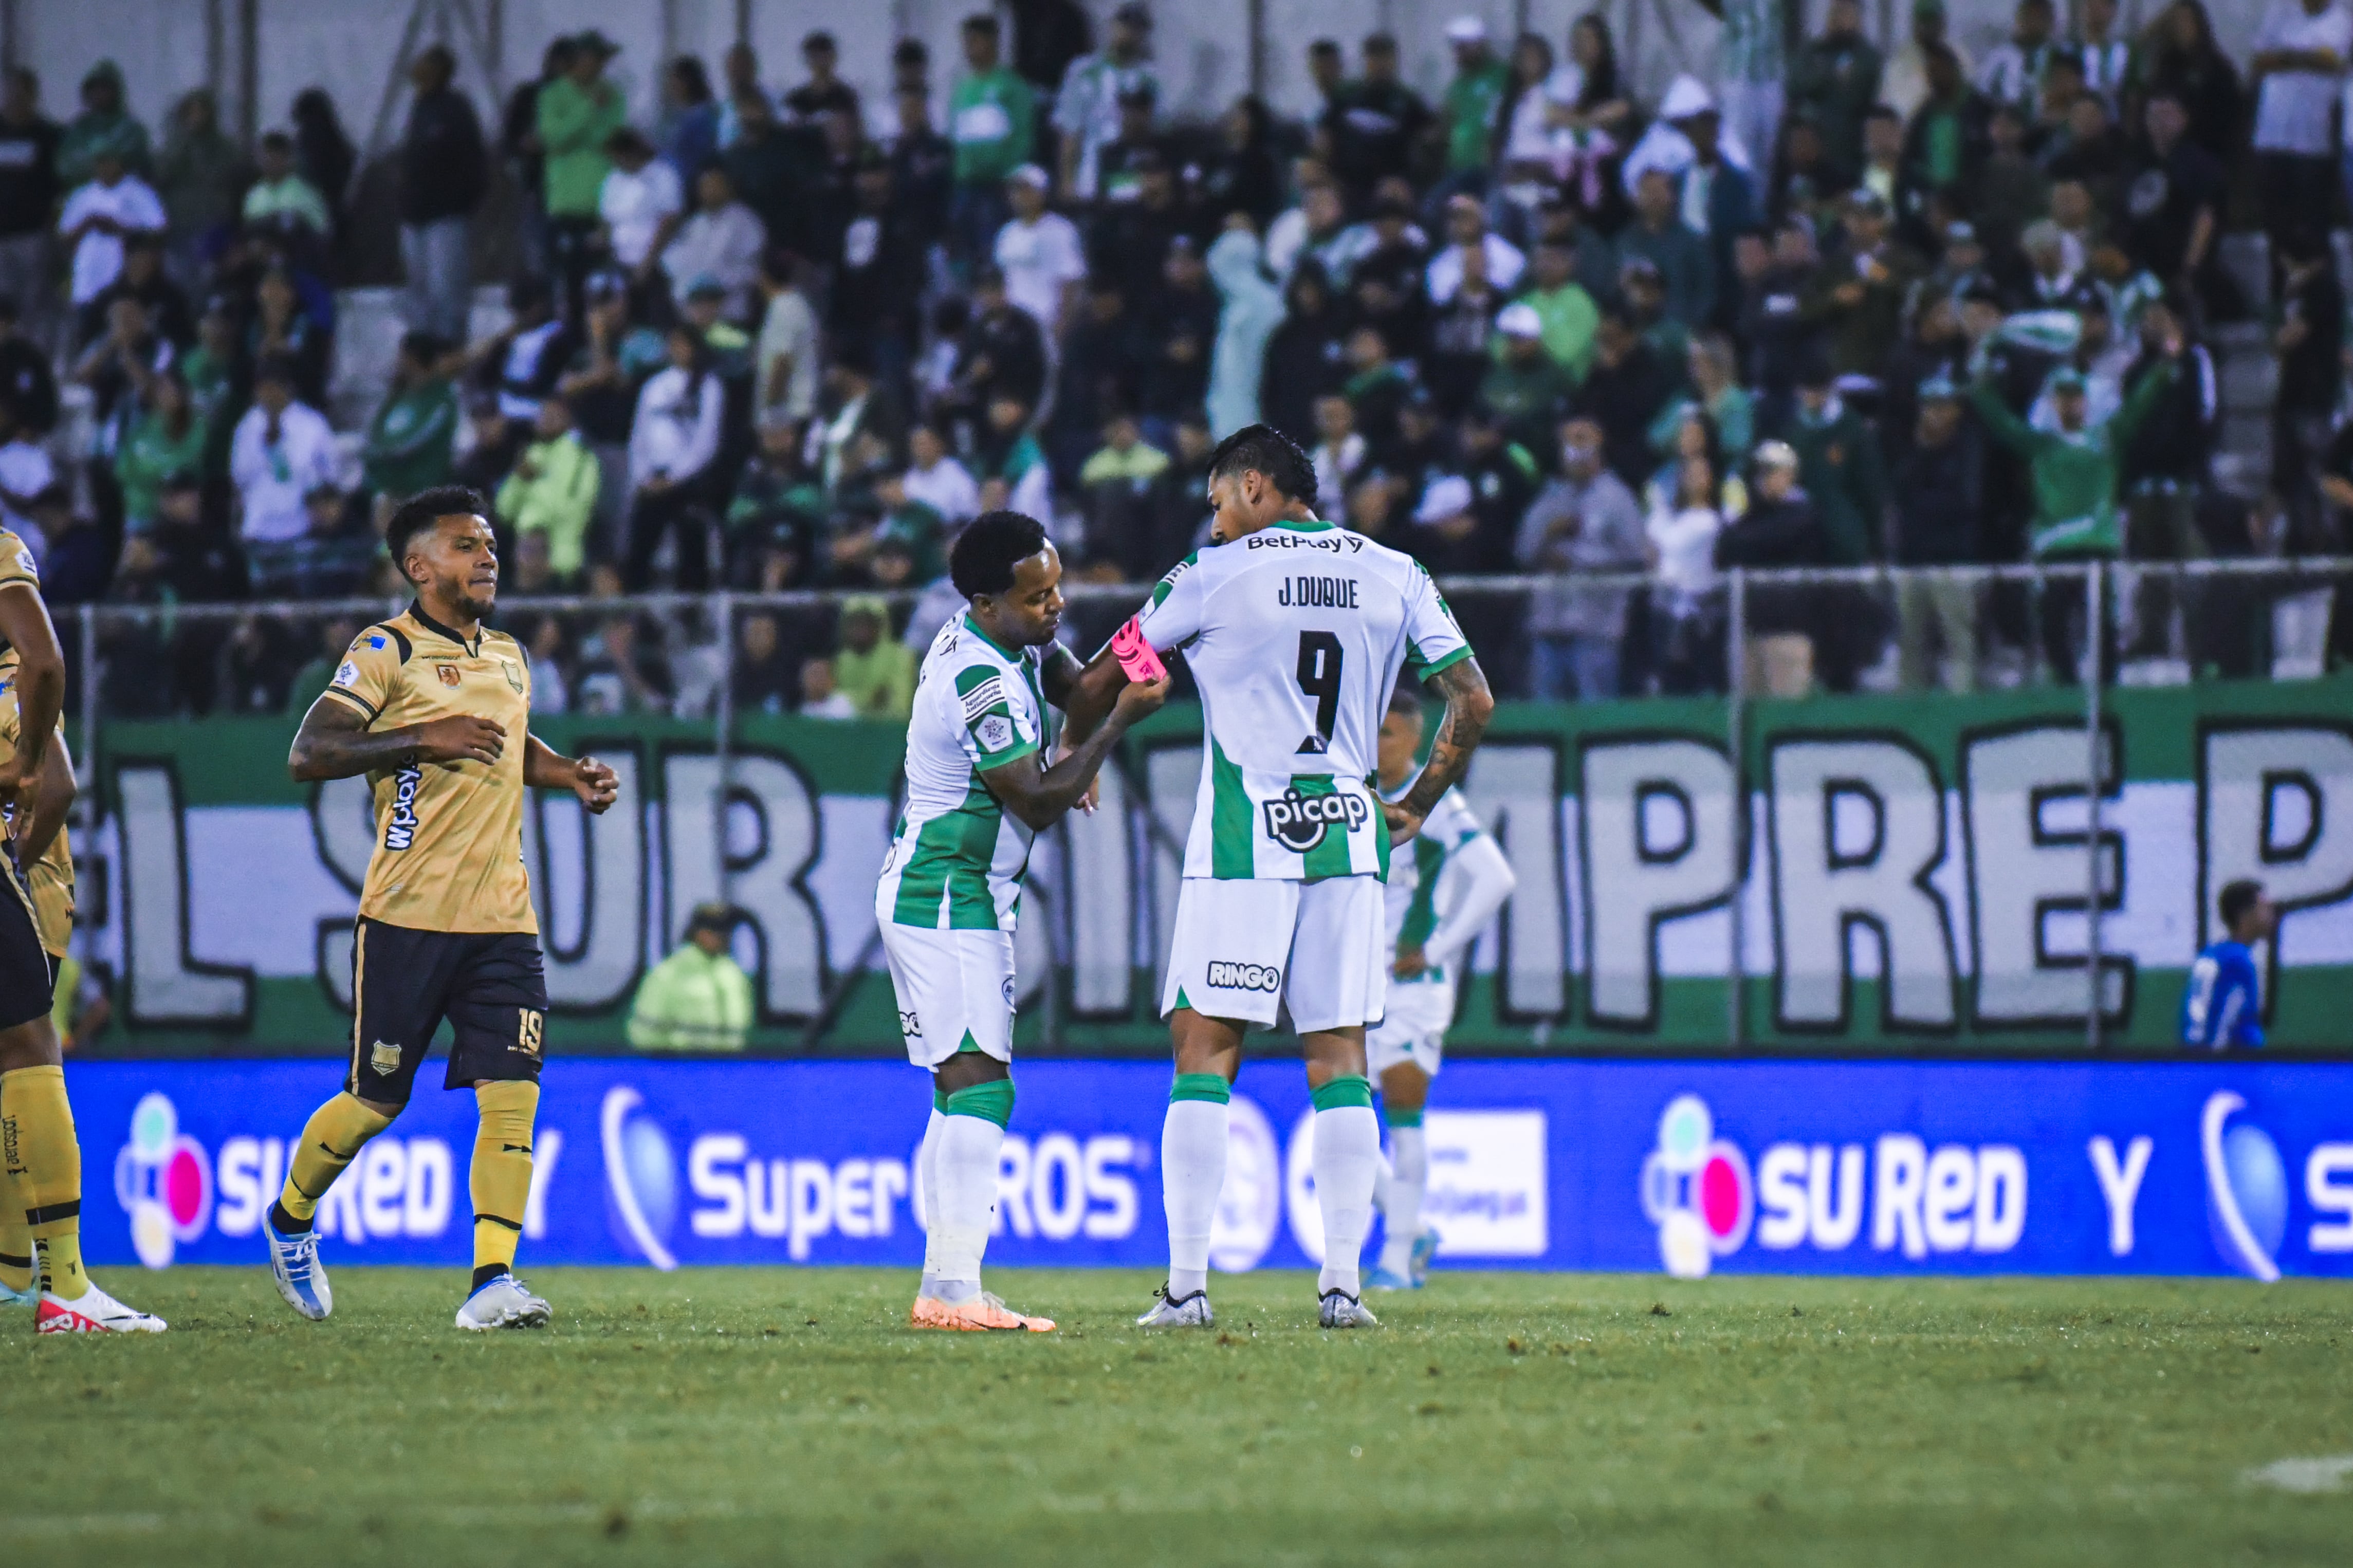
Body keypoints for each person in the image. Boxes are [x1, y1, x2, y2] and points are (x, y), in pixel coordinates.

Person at [1070, 425, 1492, 1331]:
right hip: (1347, 837)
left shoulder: (1210, 574)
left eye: (1221, 500)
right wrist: (1415, 798)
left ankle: (1185, 1290)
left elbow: (1110, 671)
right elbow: (1472, 697)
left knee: (1204, 1051)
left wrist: (1091, 735)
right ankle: (1342, 1289)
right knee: (1339, 1059)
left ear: (1256, 487)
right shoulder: (1395, 572)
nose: (1214, 521)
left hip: (1243, 842)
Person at [264, 486, 619, 1332]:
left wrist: (564, 771)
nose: (487, 556)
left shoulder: (508, 656)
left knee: (513, 1091)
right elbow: (310, 753)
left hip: (503, 920)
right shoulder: (384, 650)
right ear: (419, 567)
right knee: (376, 1101)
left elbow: (501, 745)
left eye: (490, 544)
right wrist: (423, 737)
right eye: (465, 545)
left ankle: (491, 1279)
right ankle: (289, 1218)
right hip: (406, 917)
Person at [877, 509, 1168, 1331]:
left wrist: (1146, 646)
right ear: (984, 601)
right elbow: (1038, 798)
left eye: (1057, 585)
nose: (1056, 605)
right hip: (948, 888)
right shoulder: (980, 681)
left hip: (950, 888)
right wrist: (1114, 730)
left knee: (953, 1087)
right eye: (1037, 595)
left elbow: (1079, 684)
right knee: (981, 1082)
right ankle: (955, 1291)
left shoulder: (1013, 640)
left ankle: (946, 1280)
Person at [0, 497, 164, 1330]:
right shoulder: (10, 664)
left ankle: (11, 1273)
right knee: (28, 1043)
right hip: (30, 881)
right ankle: (62, 1285)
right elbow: (48, 672)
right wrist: (22, 775)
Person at [1361, 683, 1515, 1292]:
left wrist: (1437, 950)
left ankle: (1397, 1260)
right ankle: (1415, 1228)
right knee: (1337, 1112)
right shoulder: (1359, 797)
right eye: (1371, 730)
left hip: (1414, 988)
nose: (1376, 744)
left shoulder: (1437, 806)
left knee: (1402, 1115)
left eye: (1388, 733)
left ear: (1415, 739)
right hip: (1361, 983)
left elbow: (1495, 879)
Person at [399, 44, 488, 343]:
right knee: (419, 292)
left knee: (446, 292)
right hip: (415, 215)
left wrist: (462, 202)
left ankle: (449, 353)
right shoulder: (418, 107)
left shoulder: (454, 107)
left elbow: (472, 160)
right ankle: (423, 354)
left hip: (446, 215)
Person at [628, 904, 756, 1052]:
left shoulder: (733, 974)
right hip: (681, 1065)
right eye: (713, 930)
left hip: (728, 1067)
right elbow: (645, 1031)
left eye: (725, 931)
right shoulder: (668, 974)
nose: (720, 937)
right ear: (697, 932)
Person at [57, 147, 163, 321]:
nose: (105, 167)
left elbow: (158, 231)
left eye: (109, 161)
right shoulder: (82, 195)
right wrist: (88, 223)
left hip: (123, 276)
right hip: (88, 275)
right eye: (100, 162)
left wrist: (117, 228)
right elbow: (64, 236)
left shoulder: (138, 192)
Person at [2180, 880, 2276, 1049]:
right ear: (2245, 915)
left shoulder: (2211, 955)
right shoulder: (2238, 962)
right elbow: (2225, 1023)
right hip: (2226, 1070)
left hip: (2195, 1060)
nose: (2271, 914)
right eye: (2264, 908)